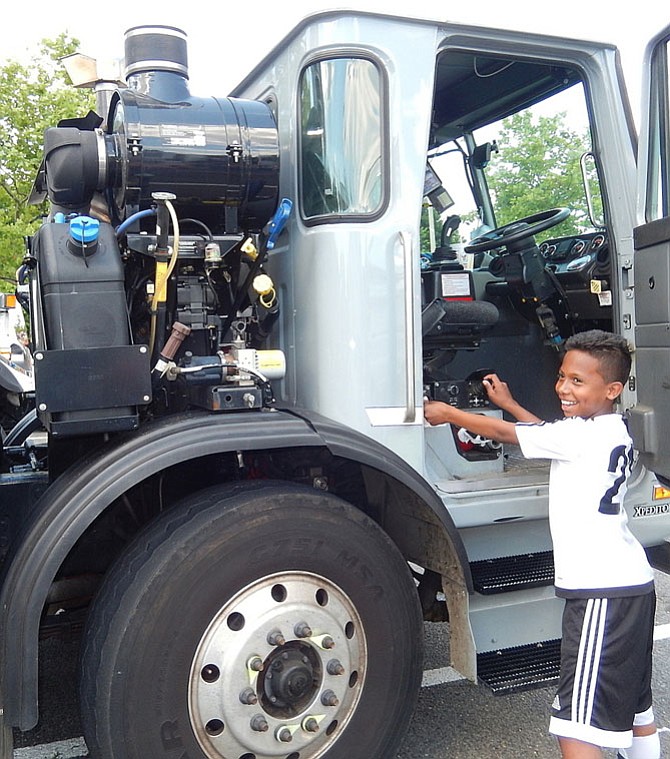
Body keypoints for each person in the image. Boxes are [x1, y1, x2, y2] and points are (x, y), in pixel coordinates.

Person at [424, 330, 659, 759]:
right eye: (562, 377)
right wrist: (511, 404)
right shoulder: (607, 431)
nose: (563, 388)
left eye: (577, 382)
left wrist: (449, 413)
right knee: (635, 709)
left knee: (574, 725)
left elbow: (510, 436)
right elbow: (544, 431)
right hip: (633, 587)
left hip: (602, 595)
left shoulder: (580, 437)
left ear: (612, 389)